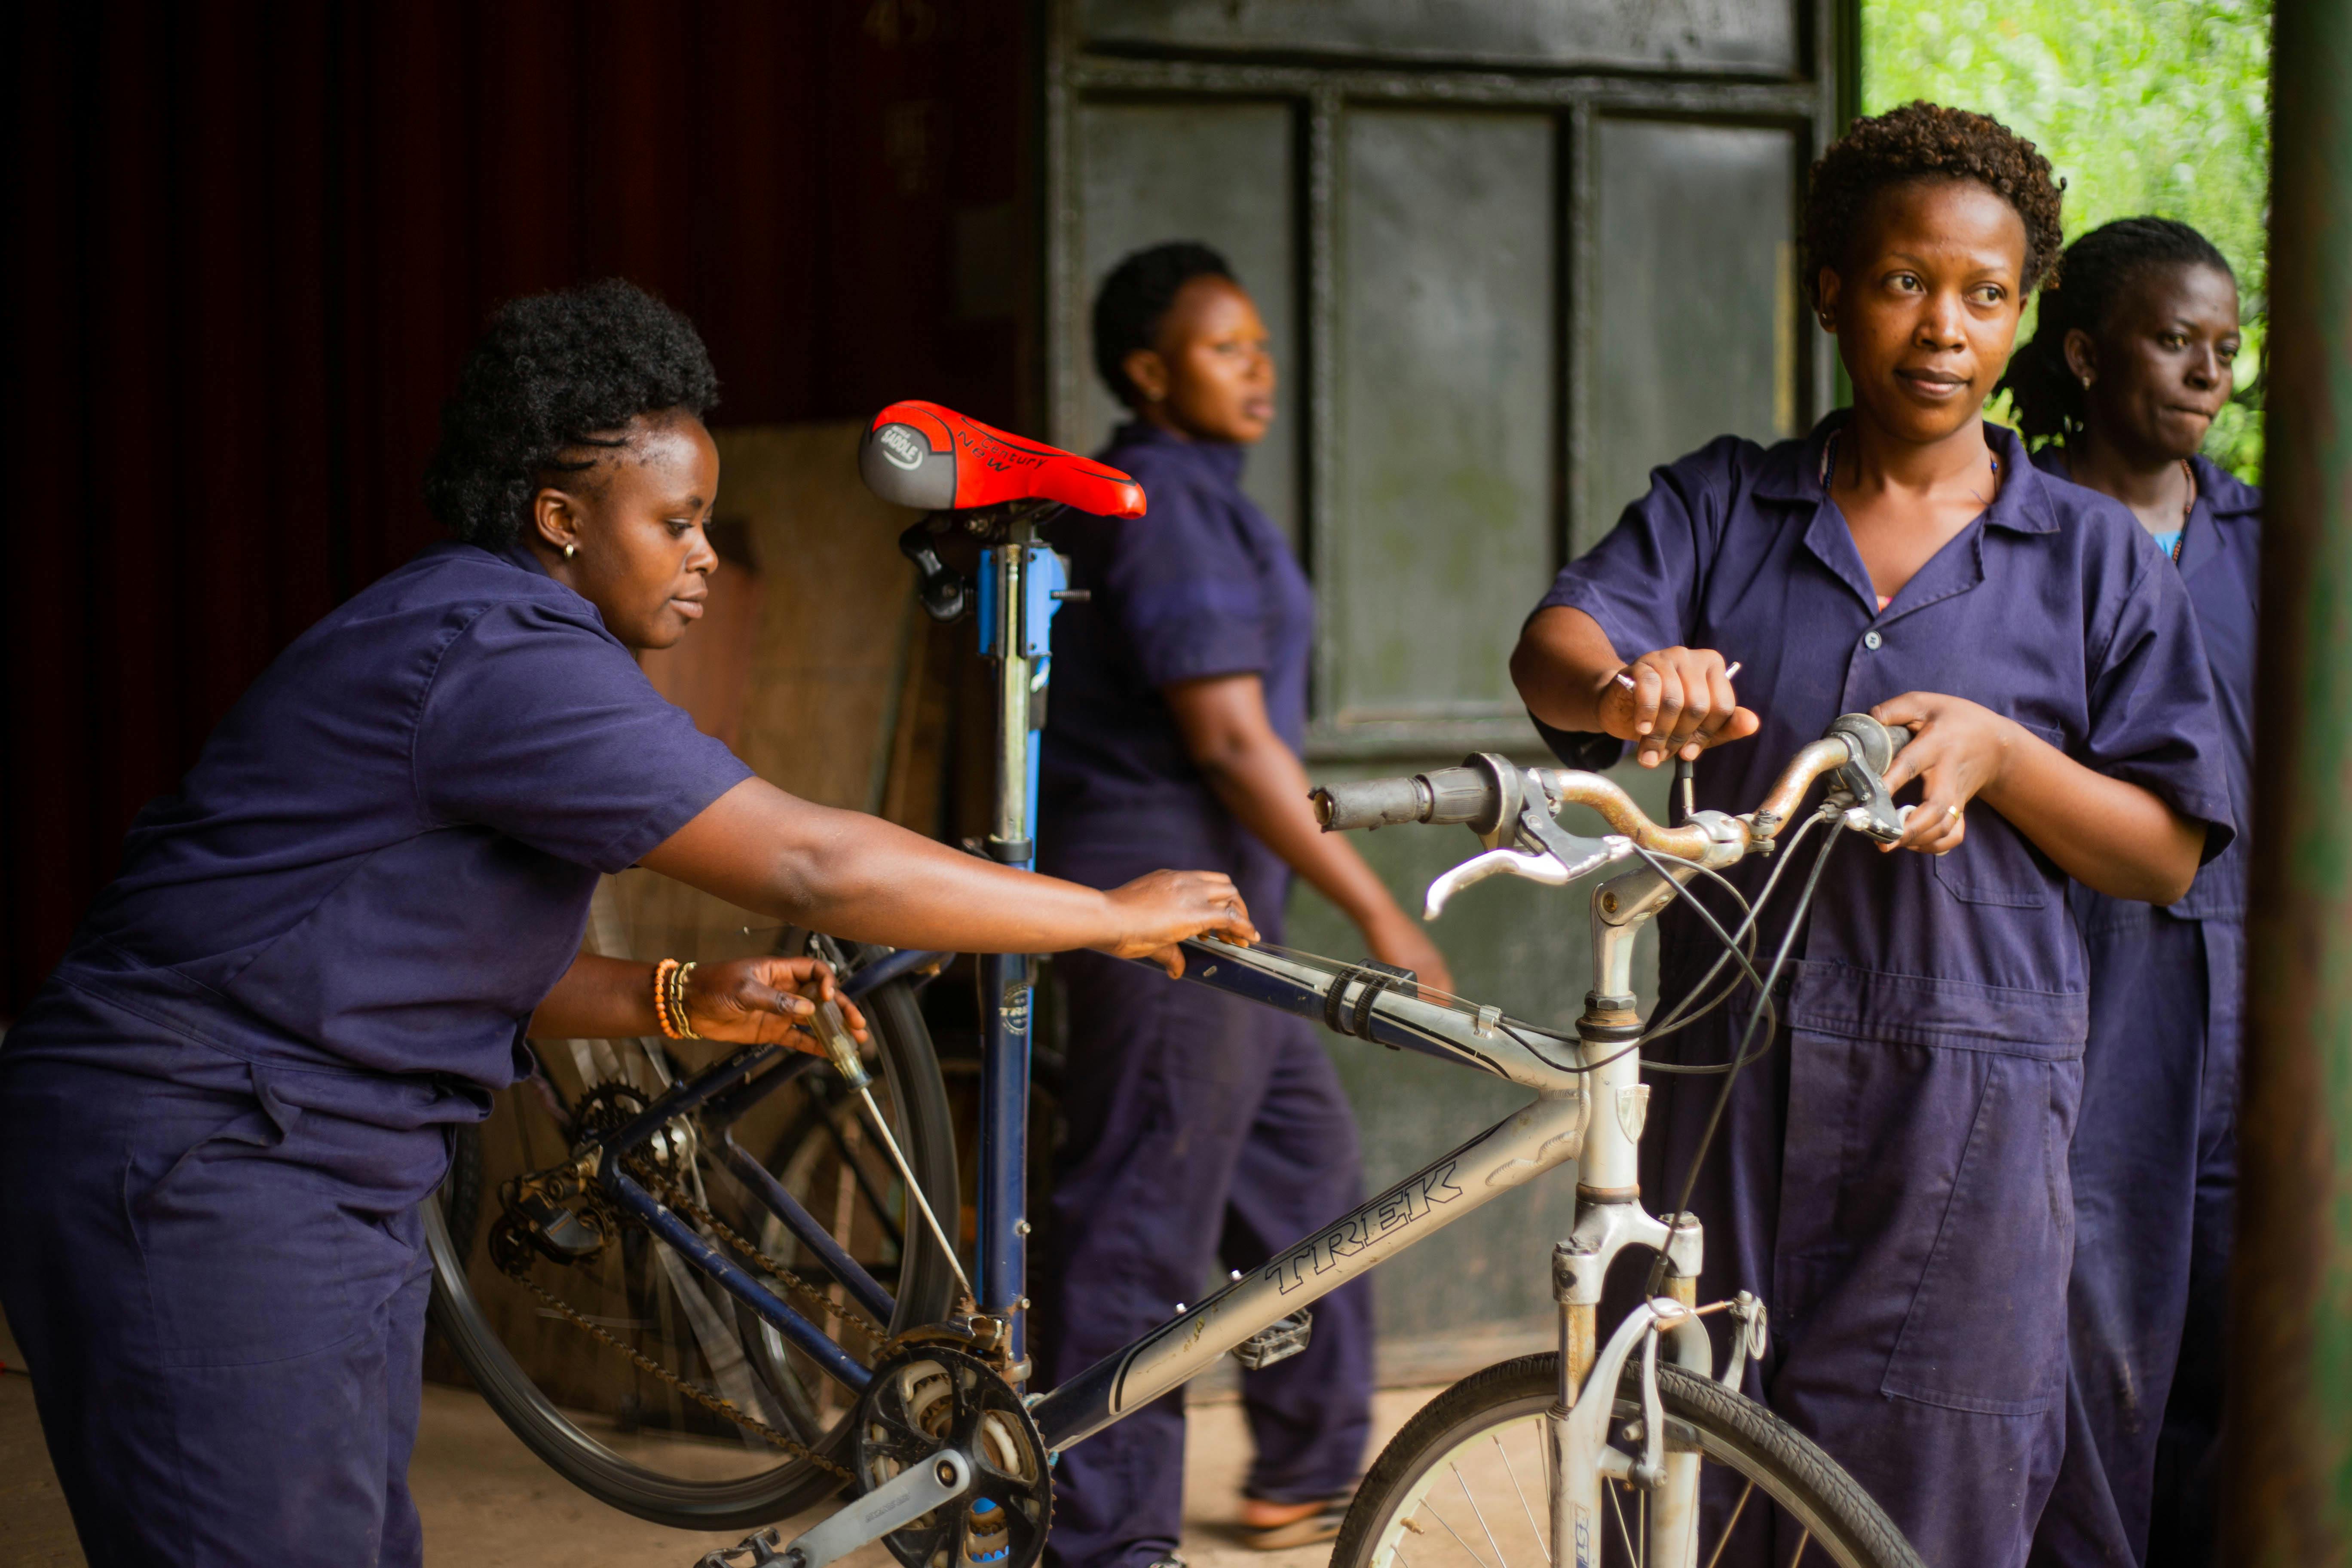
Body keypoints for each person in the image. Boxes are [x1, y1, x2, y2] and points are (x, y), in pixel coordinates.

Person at [0, 279, 1256, 1568]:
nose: (708, 551)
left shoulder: (491, 633)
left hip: (316, 1163)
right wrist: (1100, 913)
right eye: (678, 522)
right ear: (559, 518)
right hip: (201, 1156)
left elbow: (398, 950)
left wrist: (676, 998)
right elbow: (811, 861)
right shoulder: (499, 653)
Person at [1506, 105, 2235, 1568]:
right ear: (1830, 288)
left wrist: (2008, 754)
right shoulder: (1728, 503)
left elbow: (2164, 851)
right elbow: (1555, 649)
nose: (1944, 329)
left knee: (1935, 1490)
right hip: (1729, 1071)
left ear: (2023, 315)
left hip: (1968, 1094)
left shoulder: (2087, 554)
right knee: (1704, 1470)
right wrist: (1625, 684)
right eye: (1905, 282)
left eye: (1985, 294)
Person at [1033, 242, 1450, 1568]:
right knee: (1141, 1217)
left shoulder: (1207, 495)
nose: (1258, 371)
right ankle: (1102, 1538)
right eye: (1227, 350)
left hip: (1232, 911)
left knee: (1311, 1191)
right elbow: (1228, 741)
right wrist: (1380, 913)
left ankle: (1310, 1469)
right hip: (1163, 912)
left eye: (1264, 348)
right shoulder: (1156, 497)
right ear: (1151, 373)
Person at [2000, 219, 2256, 1568]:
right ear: (2086, 353)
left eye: (2227, 348)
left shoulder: (2283, 547)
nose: (2210, 374)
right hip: (2084, 990)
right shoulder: (2017, 535)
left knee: (2241, 1329)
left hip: (2259, 1003)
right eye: (2176, 341)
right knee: (2090, 1330)